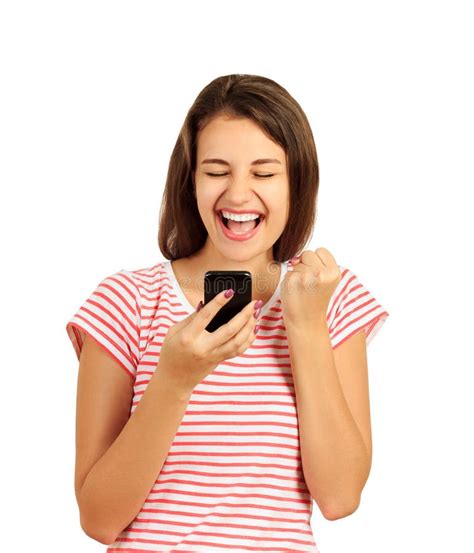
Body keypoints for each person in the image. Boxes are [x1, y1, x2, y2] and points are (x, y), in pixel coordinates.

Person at [66, 73, 390, 552]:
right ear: (190, 179)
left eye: (264, 173)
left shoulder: (331, 298)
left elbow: (340, 497)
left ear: (296, 183)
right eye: (217, 171)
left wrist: (304, 325)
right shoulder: (127, 301)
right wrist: (174, 379)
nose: (238, 196)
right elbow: (99, 519)